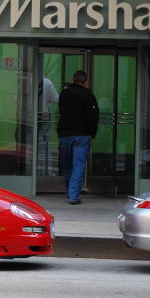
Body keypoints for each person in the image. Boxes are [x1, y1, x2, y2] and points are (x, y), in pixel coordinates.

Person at [57, 70, 99, 205]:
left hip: (65, 134)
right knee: (79, 165)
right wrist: (92, 132)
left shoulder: (64, 93)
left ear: (74, 79)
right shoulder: (87, 94)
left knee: (67, 164)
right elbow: (93, 115)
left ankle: (70, 192)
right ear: (85, 81)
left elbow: (61, 110)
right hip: (81, 135)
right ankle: (73, 196)